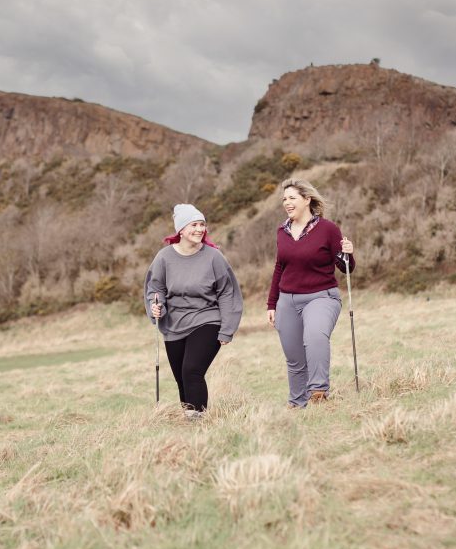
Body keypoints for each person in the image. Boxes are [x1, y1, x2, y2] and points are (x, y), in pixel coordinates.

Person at [145, 204, 243, 419]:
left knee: (192, 371)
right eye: (194, 225)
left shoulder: (214, 257)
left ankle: (199, 419)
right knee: (181, 377)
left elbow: (228, 292)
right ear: (181, 230)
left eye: (202, 225)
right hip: (174, 324)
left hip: (207, 320)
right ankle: (189, 418)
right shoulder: (164, 258)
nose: (200, 229)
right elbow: (155, 288)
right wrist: (156, 306)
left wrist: (227, 328)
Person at [266, 179, 355, 408]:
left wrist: (347, 253)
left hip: (321, 296)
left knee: (315, 336)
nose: (287, 202)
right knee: (294, 358)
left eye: (292, 197)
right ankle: (297, 403)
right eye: (284, 199)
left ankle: (318, 391)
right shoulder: (282, 231)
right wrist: (272, 304)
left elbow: (345, 267)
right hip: (287, 300)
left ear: (307, 200)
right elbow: (279, 268)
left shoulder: (328, 229)